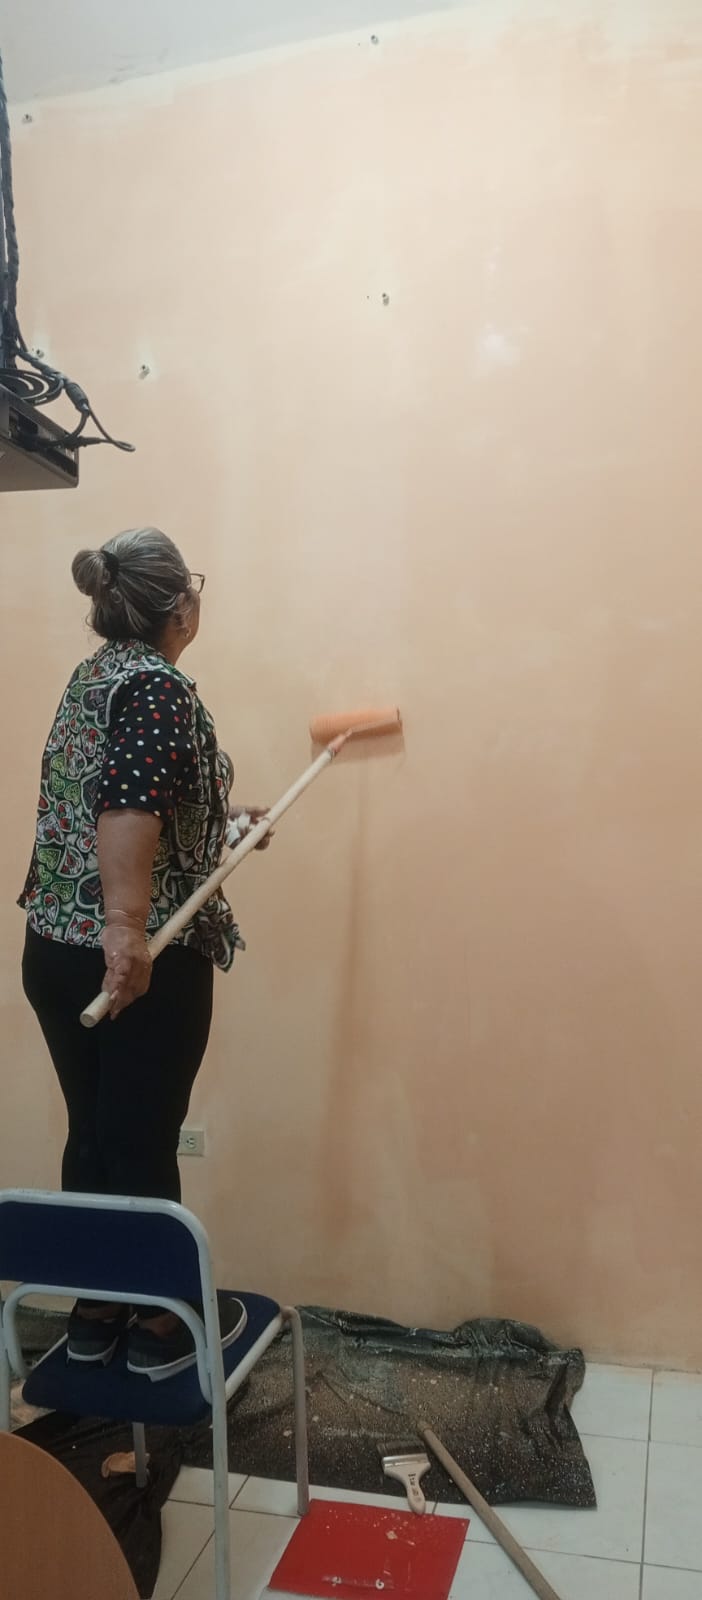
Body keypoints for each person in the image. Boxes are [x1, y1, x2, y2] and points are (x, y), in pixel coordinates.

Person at [20, 527, 270, 1378]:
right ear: (181, 608)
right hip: (135, 957)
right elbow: (126, 810)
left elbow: (137, 807)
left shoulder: (93, 677)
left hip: (56, 949)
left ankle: (97, 1313)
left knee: (95, 1134)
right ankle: (164, 1327)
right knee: (142, 1137)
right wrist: (127, 930)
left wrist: (225, 832)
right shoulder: (158, 688)